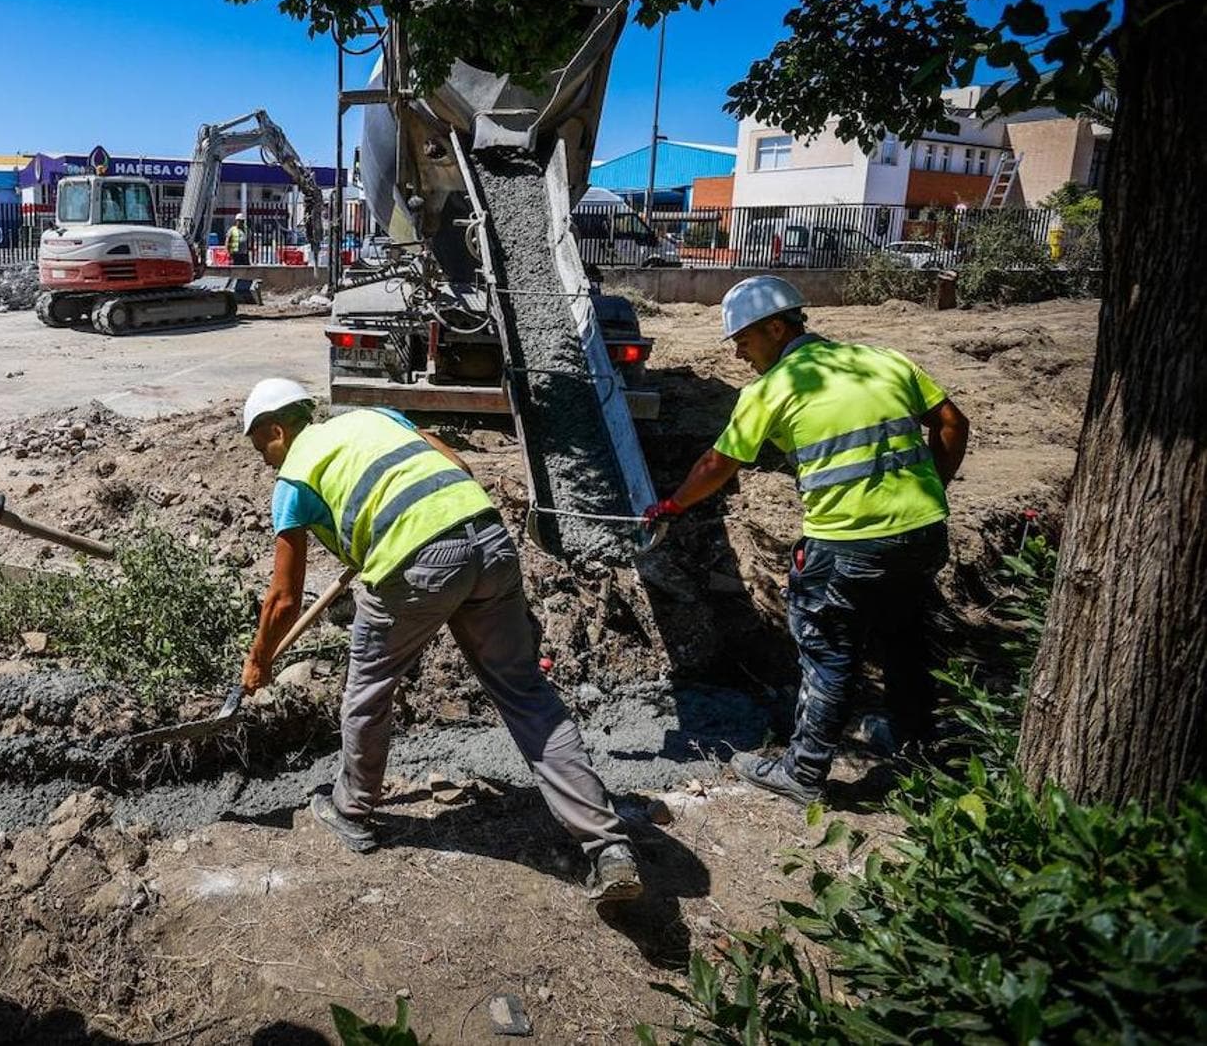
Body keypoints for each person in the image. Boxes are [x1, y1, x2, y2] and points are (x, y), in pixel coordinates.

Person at [239, 379, 643, 903]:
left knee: (368, 691)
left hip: (416, 563)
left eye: (261, 450)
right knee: (524, 692)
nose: (266, 463)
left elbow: (283, 600)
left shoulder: (293, 478)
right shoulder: (378, 418)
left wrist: (258, 660)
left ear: (276, 429)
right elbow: (462, 470)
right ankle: (609, 847)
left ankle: (352, 811)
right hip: (489, 540)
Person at [644, 276, 970, 805]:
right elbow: (953, 424)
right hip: (922, 535)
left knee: (828, 652)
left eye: (745, 342)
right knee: (905, 641)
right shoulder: (884, 360)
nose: (741, 356)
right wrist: (930, 488)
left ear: (777, 327)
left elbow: (717, 465)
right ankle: (916, 752)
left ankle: (804, 770)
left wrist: (672, 505)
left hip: (848, 544)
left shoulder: (772, 389)